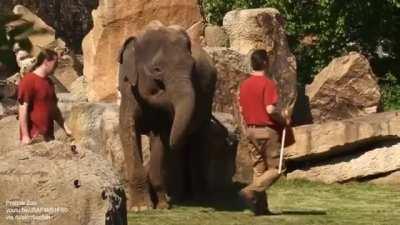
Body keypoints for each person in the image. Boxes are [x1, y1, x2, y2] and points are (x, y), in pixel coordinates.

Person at [237, 49, 291, 215]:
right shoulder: (268, 83)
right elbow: (270, 109)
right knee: (278, 168)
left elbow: (240, 108)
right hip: (267, 130)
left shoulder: (244, 85)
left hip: (250, 130)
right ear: (266, 63)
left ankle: (260, 209)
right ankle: (250, 190)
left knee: (259, 170)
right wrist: (283, 118)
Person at [18, 49, 71, 145]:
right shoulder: (28, 80)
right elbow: (22, 109)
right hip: (34, 138)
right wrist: (25, 136)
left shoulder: (49, 82)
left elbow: (54, 109)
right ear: (46, 62)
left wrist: (65, 128)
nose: (56, 66)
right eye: (55, 63)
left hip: (48, 137)